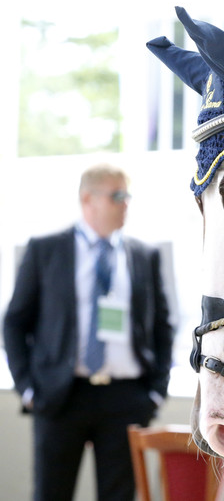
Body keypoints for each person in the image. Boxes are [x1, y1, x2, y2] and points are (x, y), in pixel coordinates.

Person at [3, 163, 174, 501]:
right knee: (51, 492)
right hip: (61, 395)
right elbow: (14, 322)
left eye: (128, 196)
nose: (126, 204)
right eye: (117, 196)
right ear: (87, 199)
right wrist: (26, 388)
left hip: (126, 399)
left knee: (119, 495)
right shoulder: (45, 250)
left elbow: (162, 326)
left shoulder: (144, 255)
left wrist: (156, 391)